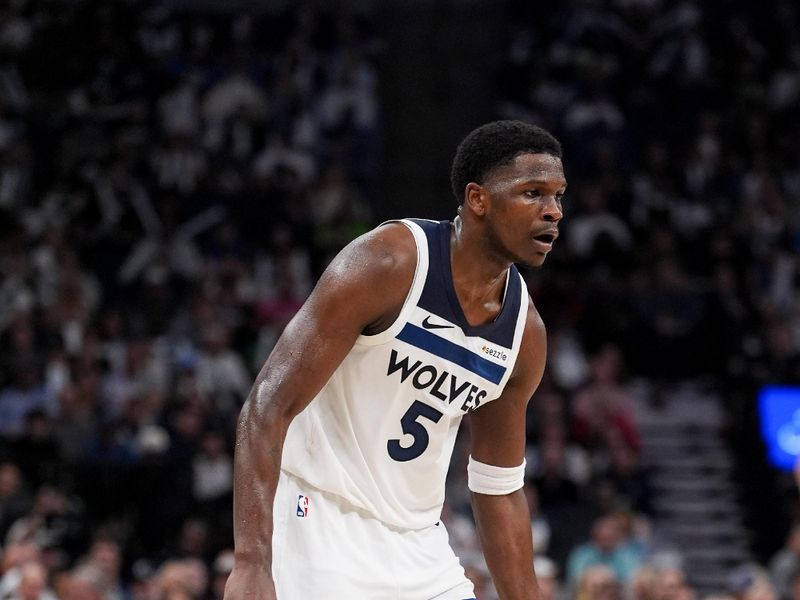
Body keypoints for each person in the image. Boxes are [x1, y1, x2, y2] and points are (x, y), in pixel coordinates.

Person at [223, 120, 567, 599]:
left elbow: (498, 489)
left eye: (557, 197)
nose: (553, 212)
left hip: (419, 545)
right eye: (533, 193)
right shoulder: (389, 263)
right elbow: (266, 406)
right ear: (478, 199)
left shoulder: (523, 334)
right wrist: (251, 562)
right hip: (318, 516)